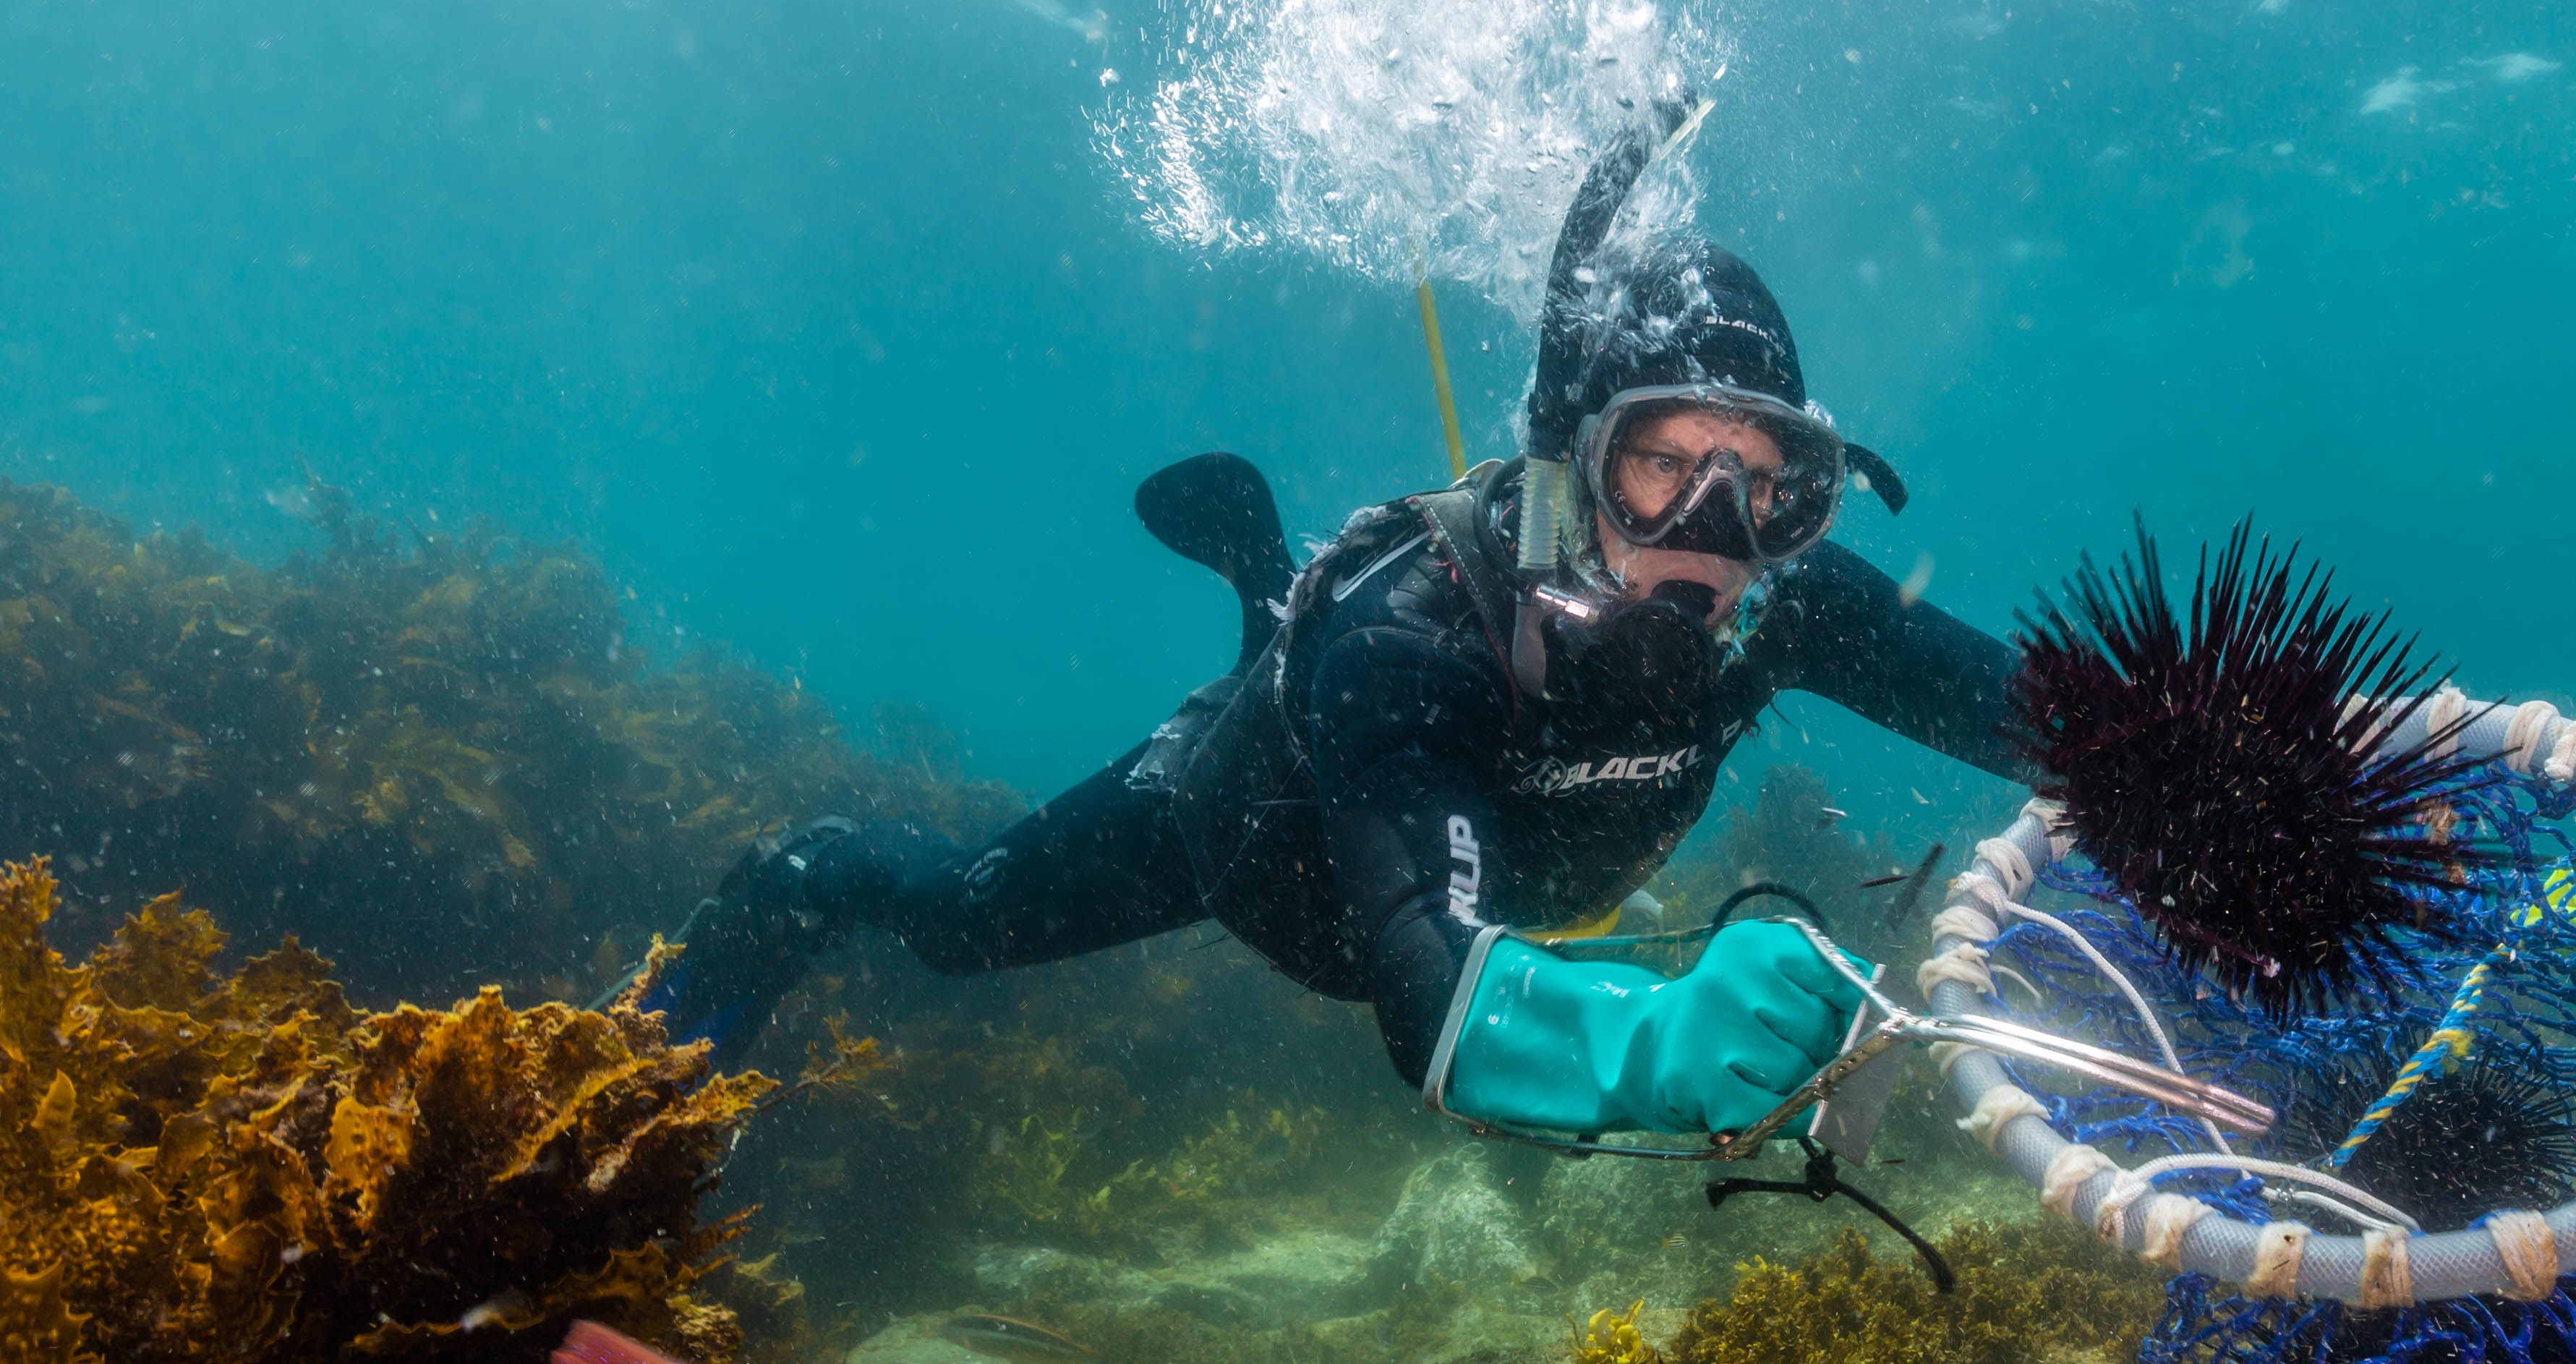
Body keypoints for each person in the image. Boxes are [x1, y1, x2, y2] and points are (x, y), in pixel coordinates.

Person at [644, 137, 2024, 1143]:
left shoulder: (1791, 600)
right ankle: (799, 876)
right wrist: (1650, 1038)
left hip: (1496, 876)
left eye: (1770, 480)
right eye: (1661, 465)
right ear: (1568, 469)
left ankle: (1257, 587)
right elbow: (1434, 999)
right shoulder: (1410, 633)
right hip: (1243, 840)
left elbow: (2061, 724)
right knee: (958, 920)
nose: (1717, 528)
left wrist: (2212, 787)